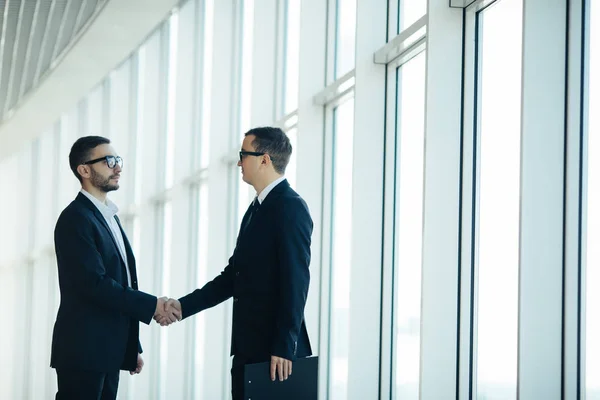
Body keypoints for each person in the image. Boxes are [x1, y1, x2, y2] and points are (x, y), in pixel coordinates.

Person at [158, 127, 313, 400]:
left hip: (275, 356)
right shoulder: (255, 210)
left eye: (244, 154)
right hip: (249, 349)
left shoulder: (290, 206)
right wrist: (182, 306)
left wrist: (283, 346)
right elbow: (234, 276)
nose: (239, 162)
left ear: (264, 159)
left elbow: (296, 280)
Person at [50, 136, 180, 400]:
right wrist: (153, 305)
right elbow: (93, 284)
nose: (118, 167)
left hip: (107, 350)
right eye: (109, 161)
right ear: (84, 170)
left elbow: (123, 285)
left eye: (118, 160)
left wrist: (132, 345)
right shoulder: (75, 218)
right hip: (84, 351)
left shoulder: (108, 217)